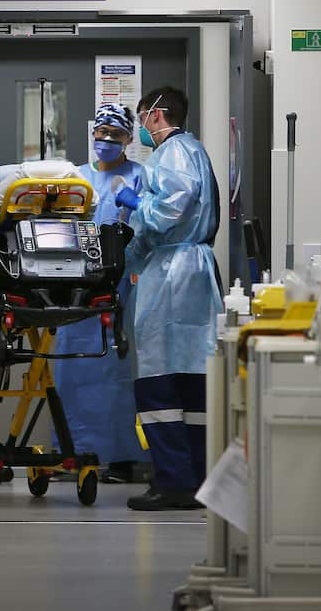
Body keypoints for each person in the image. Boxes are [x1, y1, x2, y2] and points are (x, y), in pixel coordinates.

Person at [114, 87, 223, 510]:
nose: (140, 125)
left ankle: (174, 481)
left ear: (156, 115)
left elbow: (167, 213)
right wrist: (124, 263)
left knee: (160, 380)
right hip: (188, 270)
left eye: (142, 116)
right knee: (192, 379)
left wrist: (134, 202)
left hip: (173, 275)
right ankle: (195, 479)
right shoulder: (191, 150)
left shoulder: (173, 152)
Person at [53, 103, 148, 484]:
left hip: (119, 290)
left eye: (116, 135)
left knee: (116, 376)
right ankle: (72, 455)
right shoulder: (75, 179)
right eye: (101, 133)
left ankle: (122, 458)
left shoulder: (140, 177)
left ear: (128, 139)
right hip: (73, 292)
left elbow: (146, 228)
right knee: (70, 373)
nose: (106, 140)